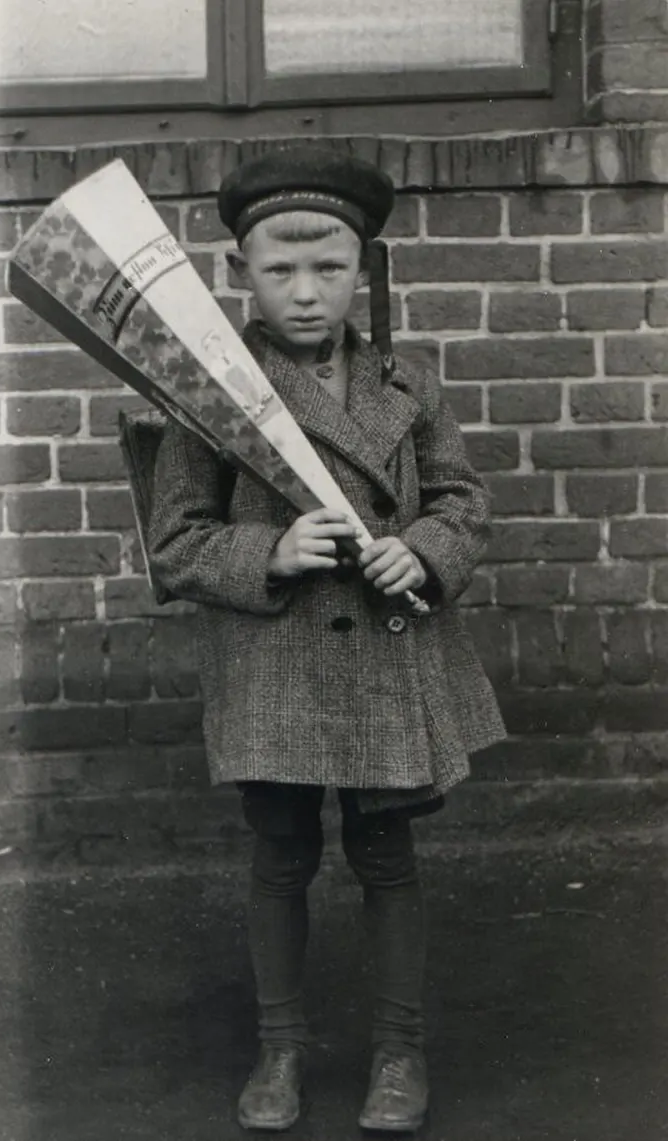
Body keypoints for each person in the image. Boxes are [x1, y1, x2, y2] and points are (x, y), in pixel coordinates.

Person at [147, 148, 506, 1134]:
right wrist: (271, 546)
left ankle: (398, 1052)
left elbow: (462, 501)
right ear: (240, 273)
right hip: (275, 663)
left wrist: (423, 553)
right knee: (280, 855)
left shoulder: (407, 383)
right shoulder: (204, 393)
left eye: (329, 267)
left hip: (386, 656)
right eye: (278, 269)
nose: (306, 293)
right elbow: (174, 543)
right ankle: (280, 1050)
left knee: (385, 855)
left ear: (364, 269)